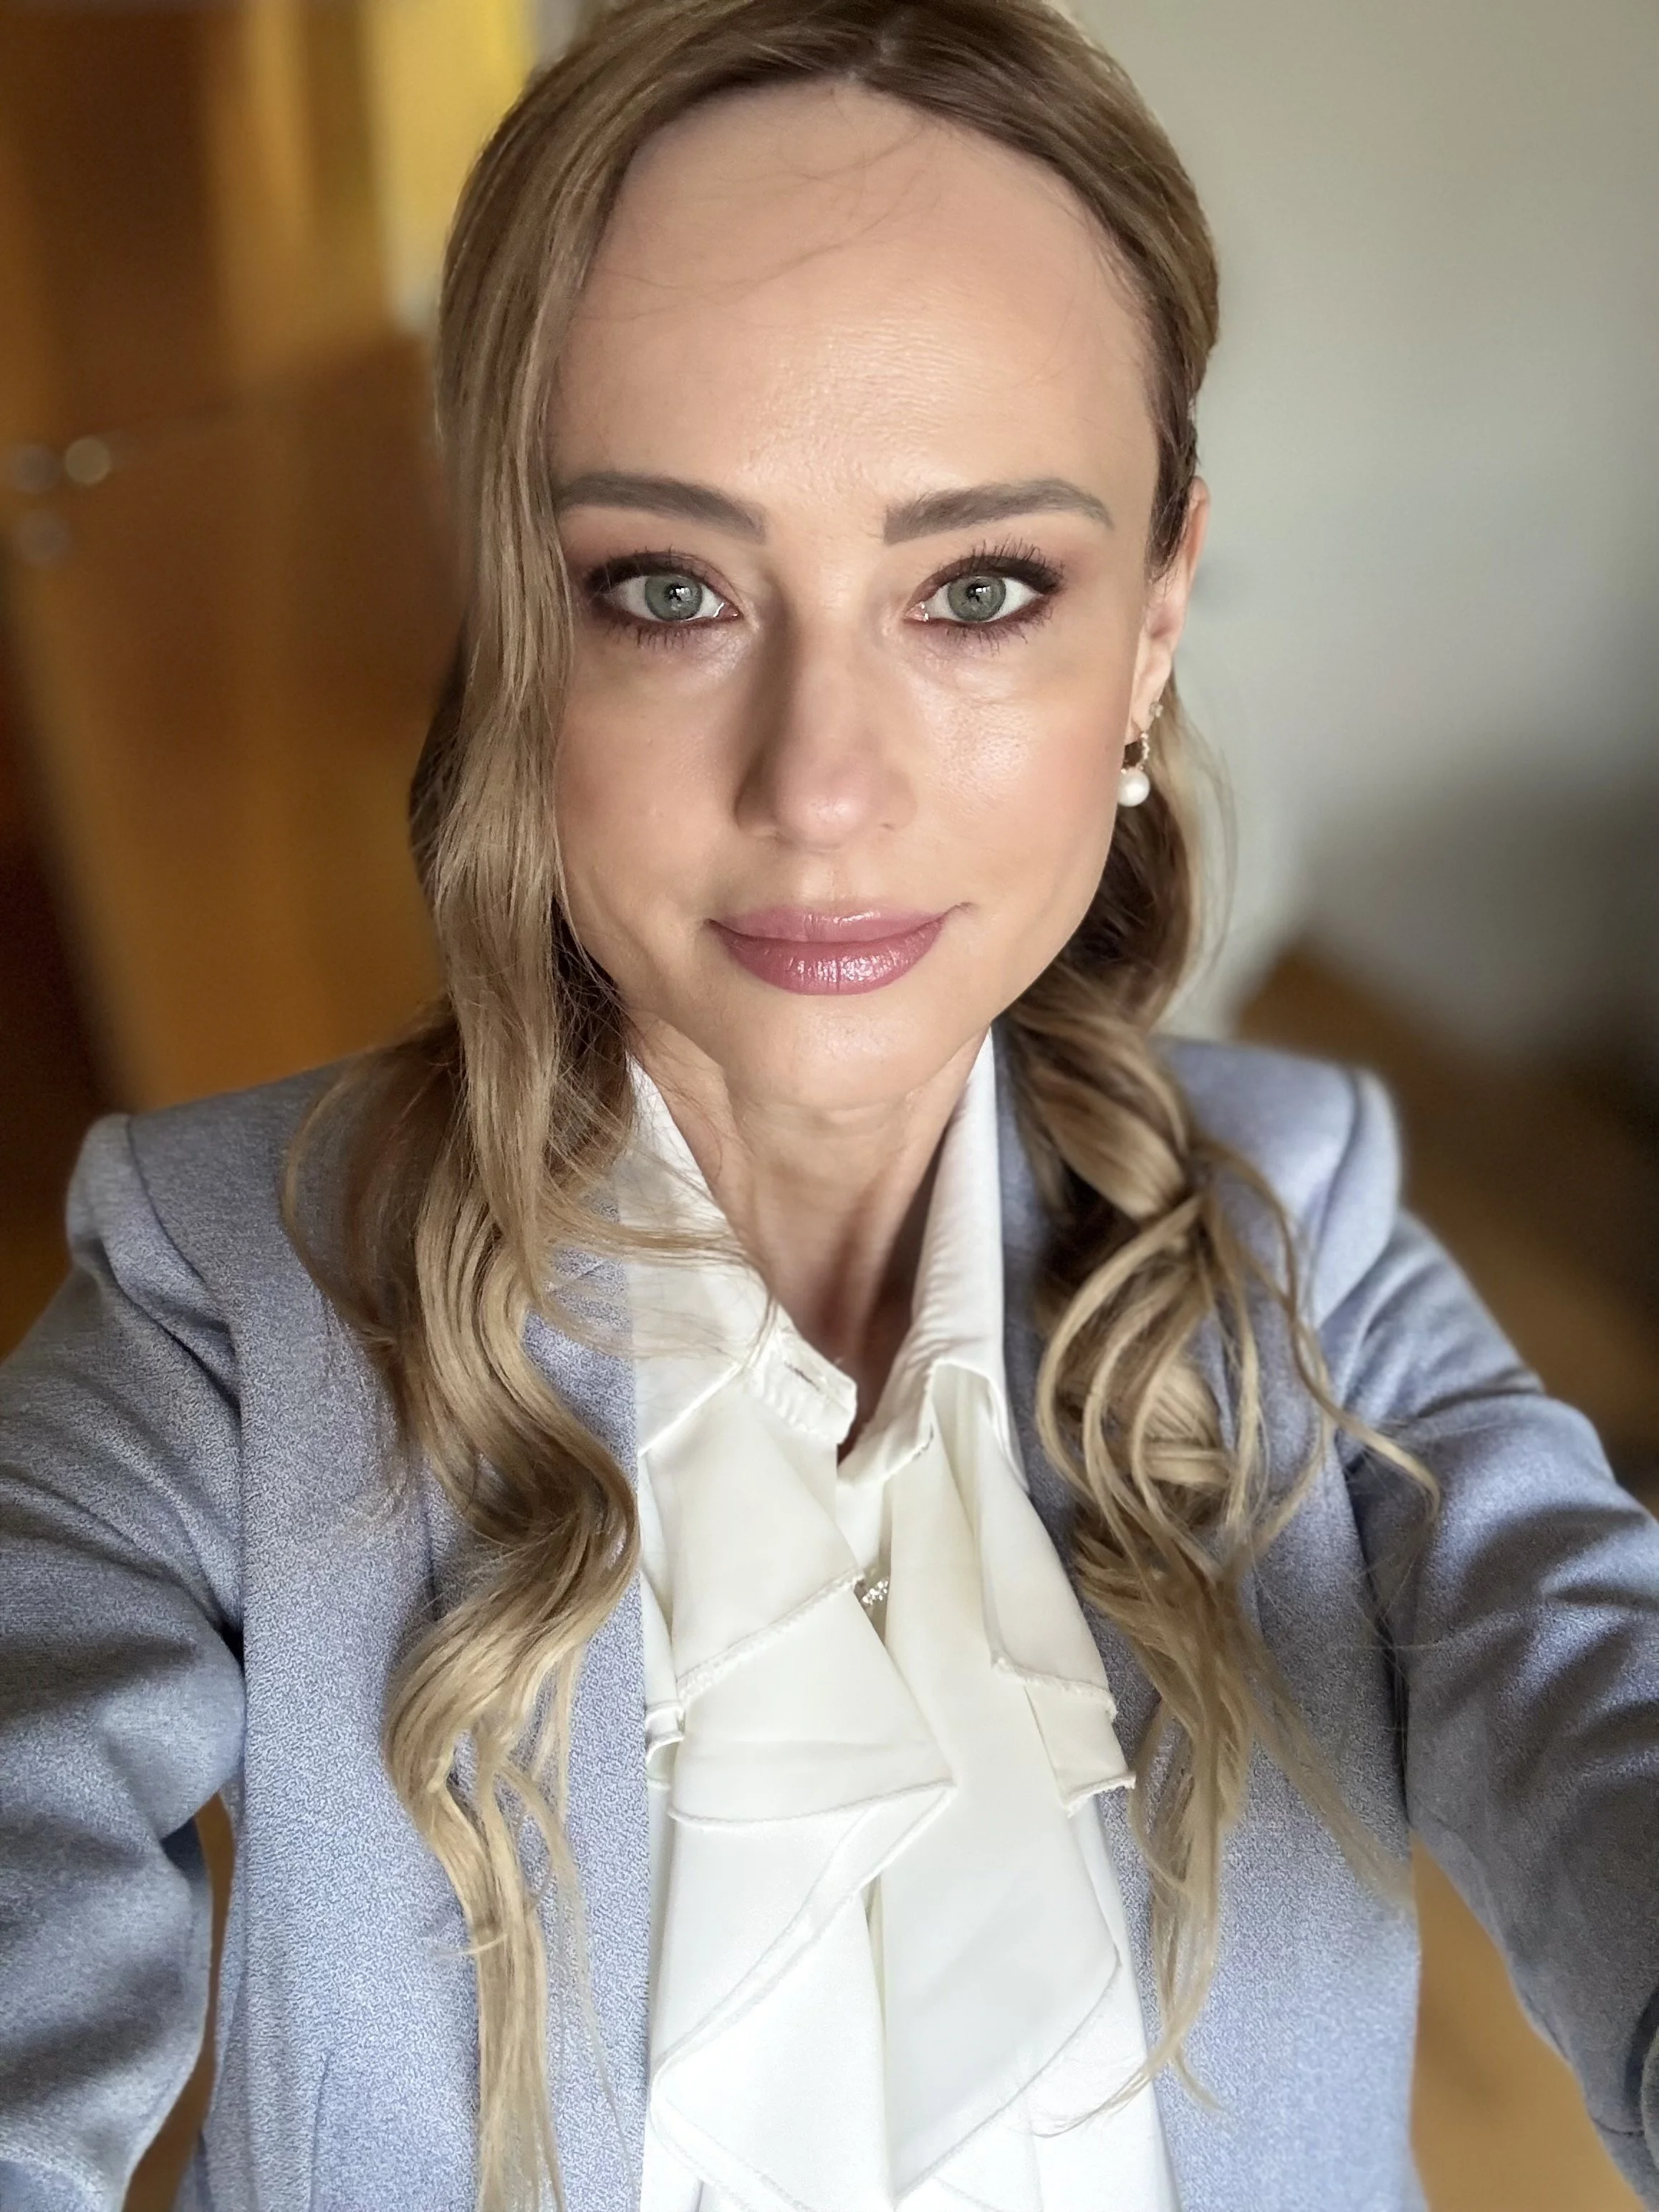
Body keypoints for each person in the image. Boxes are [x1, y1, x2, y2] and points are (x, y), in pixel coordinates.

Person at [4, 1, 1658, 2208]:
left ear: (1152, 625)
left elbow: (1596, 1696)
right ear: (511, 620)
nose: (820, 787)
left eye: (977, 589)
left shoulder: (1306, 1231)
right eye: (666, 590)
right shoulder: (208, 1312)